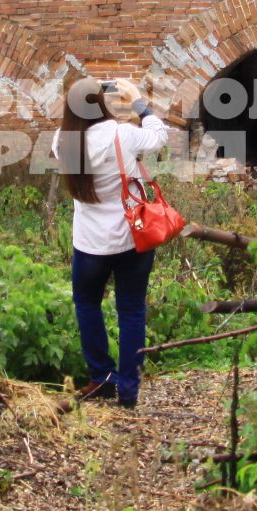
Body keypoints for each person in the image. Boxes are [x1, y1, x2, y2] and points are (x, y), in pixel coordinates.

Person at [54, 76, 169, 410]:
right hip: (134, 238)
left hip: (90, 245)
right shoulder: (123, 135)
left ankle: (102, 378)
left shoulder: (63, 140)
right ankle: (129, 390)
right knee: (131, 310)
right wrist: (138, 103)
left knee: (87, 304)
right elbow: (159, 136)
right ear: (101, 104)